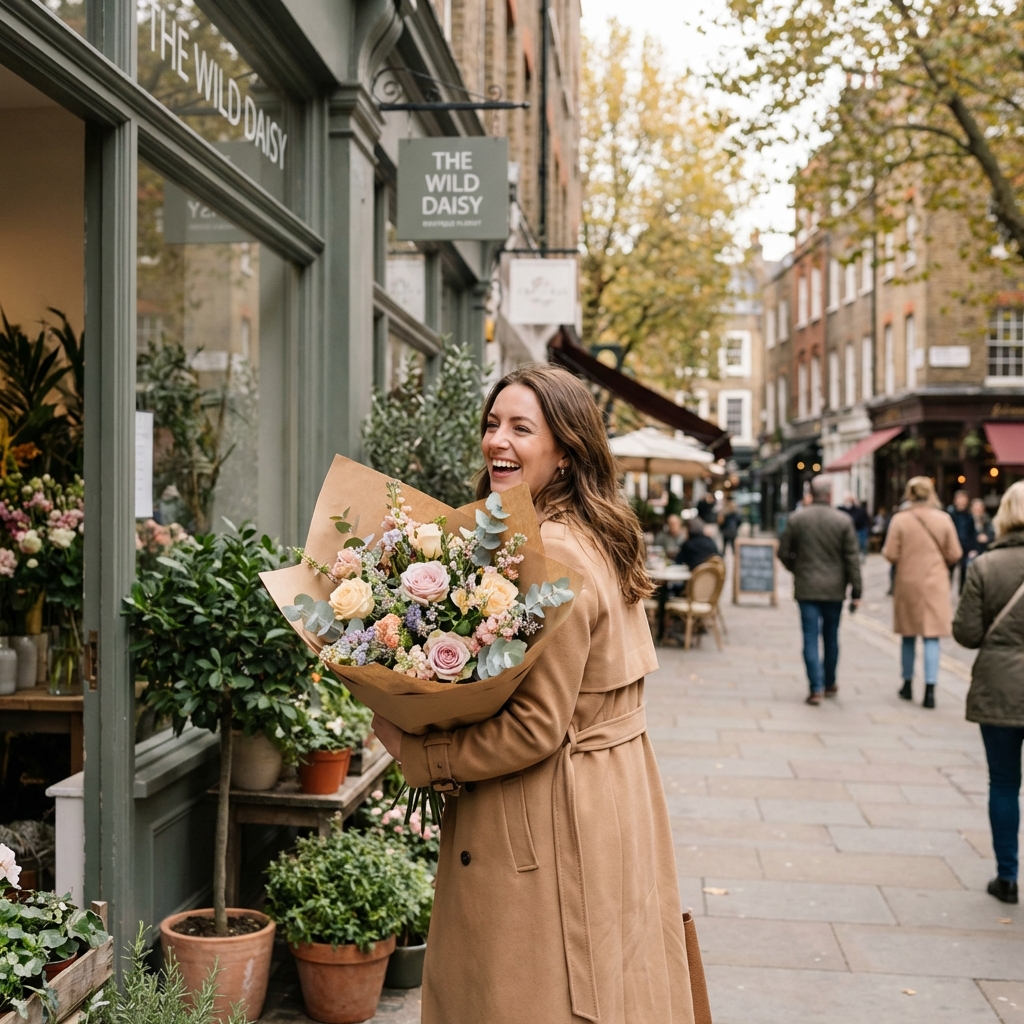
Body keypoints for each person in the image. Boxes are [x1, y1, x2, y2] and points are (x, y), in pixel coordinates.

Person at [371, 364, 697, 1024]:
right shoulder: (593, 533)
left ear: (567, 451)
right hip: (606, 797)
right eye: (493, 424)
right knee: (605, 983)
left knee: (527, 994)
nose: (499, 440)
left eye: (522, 428)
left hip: (546, 819)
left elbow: (538, 726)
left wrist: (421, 753)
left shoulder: (554, 550)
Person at [953, 480, 1024, 906]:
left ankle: (1007, 877)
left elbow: (965, 632)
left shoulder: (986, 566)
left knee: (1003, 783)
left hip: (998, 688)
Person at [779, 476, 862, 705]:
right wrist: (857, 591)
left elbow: (783, 552)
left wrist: (797, 569)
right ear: (829, 494)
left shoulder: (797, 519)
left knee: (810, 638)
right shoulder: (843, 521)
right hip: (834, 589)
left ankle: (815, 688)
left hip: (806, 588)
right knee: (831, 637)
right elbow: (852, 559)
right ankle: (829, 683)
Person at [884, 477, 963, 708]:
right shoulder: (943, 519)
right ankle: (930, 690)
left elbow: (890, 553)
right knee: (932, 636)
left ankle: (907, 685)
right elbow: (955, 553)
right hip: (935, 583)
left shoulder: (900, 520)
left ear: (909, 494)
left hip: (908, 582)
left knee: (908, 635)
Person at [947, 489, 977, 592]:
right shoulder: (950, 514)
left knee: (964, 572)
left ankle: (961, 593)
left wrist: (973, 548)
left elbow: (973, 533)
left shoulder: (969, 516)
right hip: (952, 547)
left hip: (966, 548)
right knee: (949, 572)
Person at [841, 494, 871, 560]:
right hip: (851, 529)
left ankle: (862, 556)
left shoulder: (859, 510)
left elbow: (864, 519)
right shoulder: (842, 509)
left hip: (859, 529)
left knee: (861, 544)